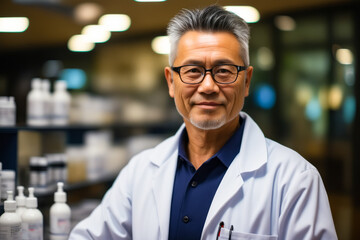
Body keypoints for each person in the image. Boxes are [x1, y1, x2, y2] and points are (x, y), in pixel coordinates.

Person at [69, 5, 337, 240]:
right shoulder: (140, 171)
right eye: (193, 71)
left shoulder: (294, 179)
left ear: (246, 81)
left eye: (223, 71)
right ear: (171, 82)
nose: (208, 86)